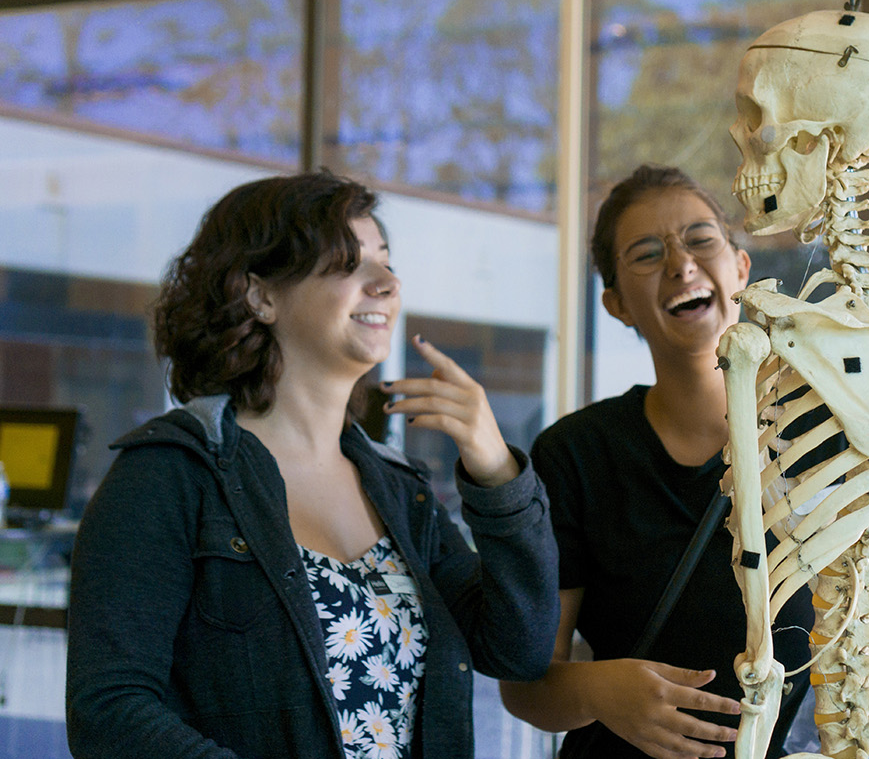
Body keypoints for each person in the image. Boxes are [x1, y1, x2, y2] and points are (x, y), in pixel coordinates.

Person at [65, 171, 559, 759]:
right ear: (261, 296)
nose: (386, 283)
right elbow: (110, 711)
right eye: (348, 263)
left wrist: (497, 472)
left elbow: (518, 650)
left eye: (385, 259)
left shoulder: (402, 493)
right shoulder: (170, 475)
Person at [499, 165, 816, 759]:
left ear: (741, 267)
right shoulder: (575, 455)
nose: (681, 265)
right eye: (647, 254)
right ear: (615, 303)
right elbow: (526, 685)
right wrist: (599, 689)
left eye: (701, 240)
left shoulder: (820, 436)